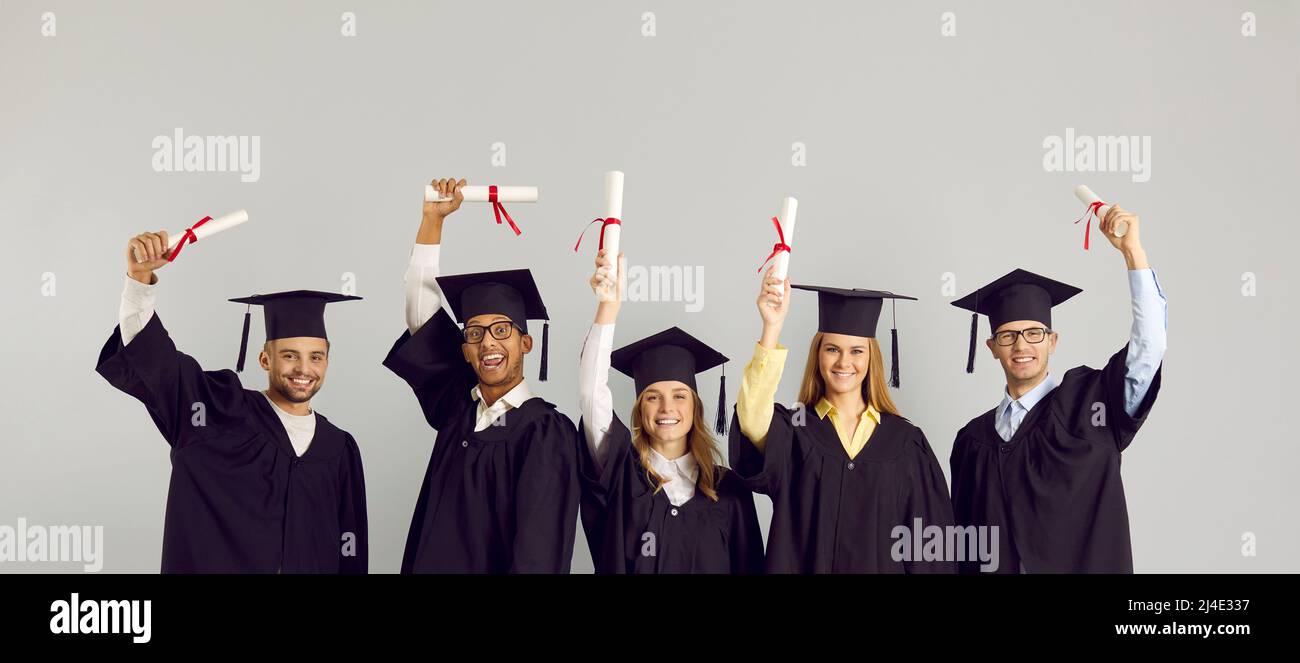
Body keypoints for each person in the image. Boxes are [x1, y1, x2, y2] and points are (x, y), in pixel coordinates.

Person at [95, 229, 368, 573]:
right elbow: (157, 365)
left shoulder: (338, 448)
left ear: (327, 360)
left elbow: (350, 555)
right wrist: (140, 281)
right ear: (265, 359)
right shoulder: (219, 411)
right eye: (289, 355)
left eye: (316, 357)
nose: (303, 369)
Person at [949, 204, 1166, 573]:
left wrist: (1133, 252)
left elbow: (1149, 349)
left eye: (1034, 334)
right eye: (1008, 336)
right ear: (991, 347)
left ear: (1052, 341)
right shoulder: (971, 441)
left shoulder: (1093, 406)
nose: (1021, 346)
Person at [383, 177, 581, 573]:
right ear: (465, 350)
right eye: (475, 332)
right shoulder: (456, 407)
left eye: (502, 330)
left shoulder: (546, 432)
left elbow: (538, 554)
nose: (489, 343)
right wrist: (432, 222)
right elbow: (422, 316)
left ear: (526, 343)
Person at [730, 265, 955, 572]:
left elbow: (931, 549)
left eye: (857, 351)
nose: (844, 362)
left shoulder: (905, 443)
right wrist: (772, 328)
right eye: (832, 349)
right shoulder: (796, 431)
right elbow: (752, 416)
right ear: (818, 354)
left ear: (871, 357)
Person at [575, 249, 764, 573]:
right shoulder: (620, 478)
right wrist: (608, 307)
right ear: (639, 408)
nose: (667, 408)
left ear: (695, 406)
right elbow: (592, 394)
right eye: (652, 397)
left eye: (679, 396)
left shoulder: (729, 491)